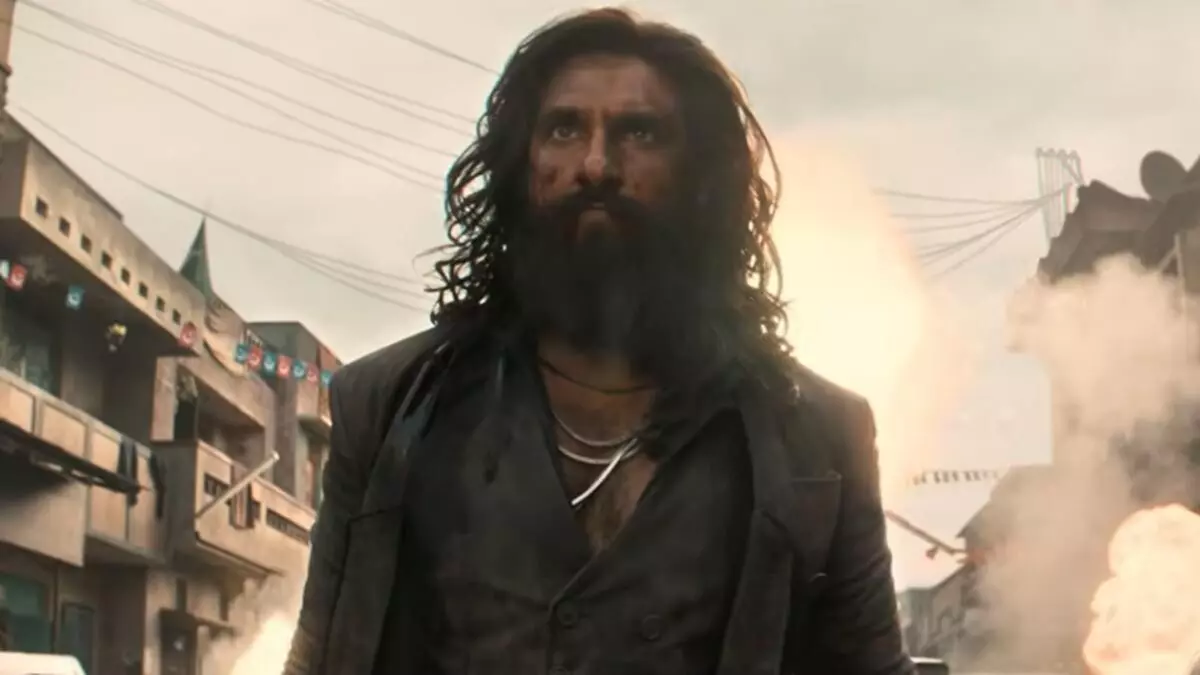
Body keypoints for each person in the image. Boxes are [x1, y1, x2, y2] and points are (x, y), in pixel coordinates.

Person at [284, 7, 914, 675]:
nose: (595, 165)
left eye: (638, 133)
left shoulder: (817, 438)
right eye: (563, 129)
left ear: (699, 175)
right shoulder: (389, 407)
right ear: (522, 166)